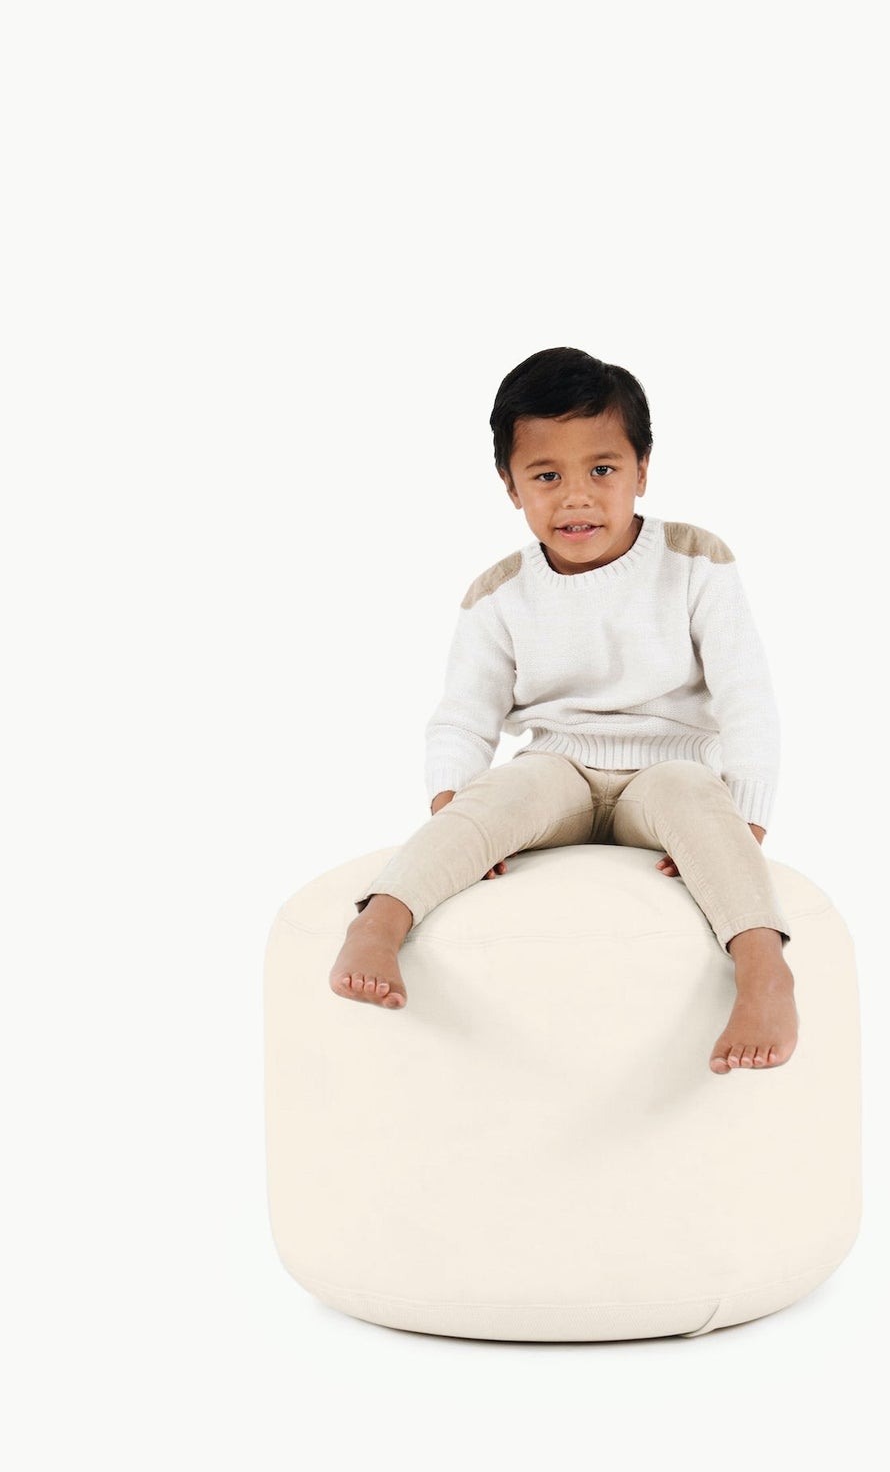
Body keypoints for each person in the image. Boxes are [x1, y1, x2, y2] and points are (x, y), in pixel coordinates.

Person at [328, 346, 798, 1074]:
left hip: (669, 768)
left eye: (602, 470)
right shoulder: (499, 592)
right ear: (511, 487)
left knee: (697, 801)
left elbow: (746, 693)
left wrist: (750, 807)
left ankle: (765, 968)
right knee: (500, 794)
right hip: (559, 766)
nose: (576, 496)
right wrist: (456, 802)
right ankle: (381, 919)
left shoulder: (695, 560)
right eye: (546, 475)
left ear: (643, 469)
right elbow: (463, 715)